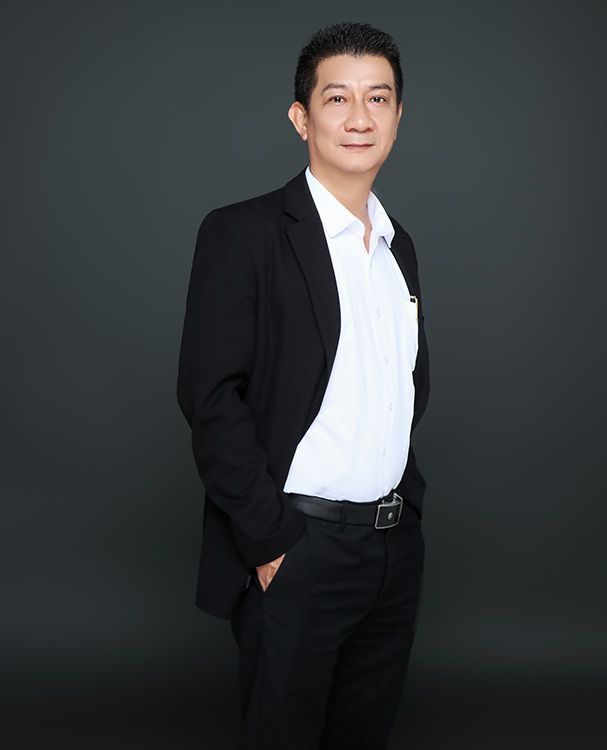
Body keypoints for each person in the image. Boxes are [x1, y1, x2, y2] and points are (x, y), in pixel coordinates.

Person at [177, 21, 430, 750]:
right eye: (337, 97)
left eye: (377, 98)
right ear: (301, 117)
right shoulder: (244, 233)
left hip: (392, 550)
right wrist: (270, 542)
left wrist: (404, 512)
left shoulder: (398, 248)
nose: (360, 117)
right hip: (297, 548)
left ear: (397, 117)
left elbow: (404, 387)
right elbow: (209, 400)